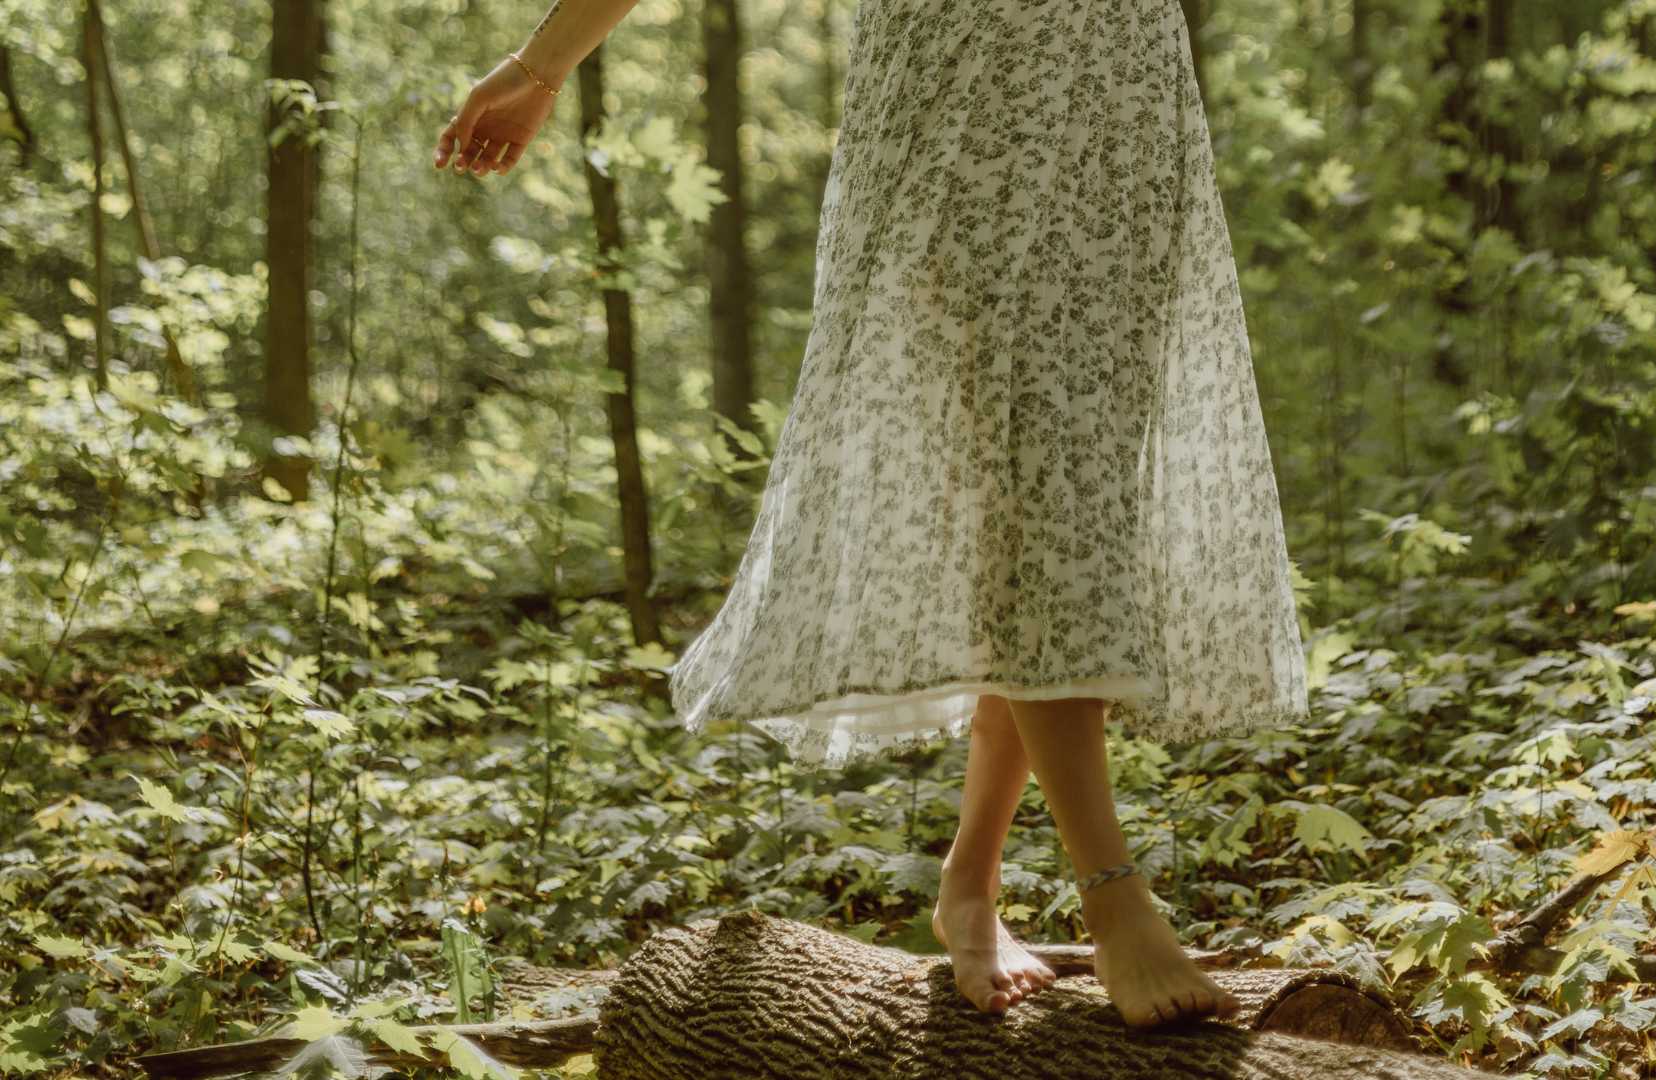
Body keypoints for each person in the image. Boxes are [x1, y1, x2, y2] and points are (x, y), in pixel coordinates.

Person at [435, 0, 1309, 1029]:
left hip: (1122, 111)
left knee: (1074, 497)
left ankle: (971, 879)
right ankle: (1111, 890)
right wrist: (542, 66)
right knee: (1030, 480)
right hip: (961, 115)